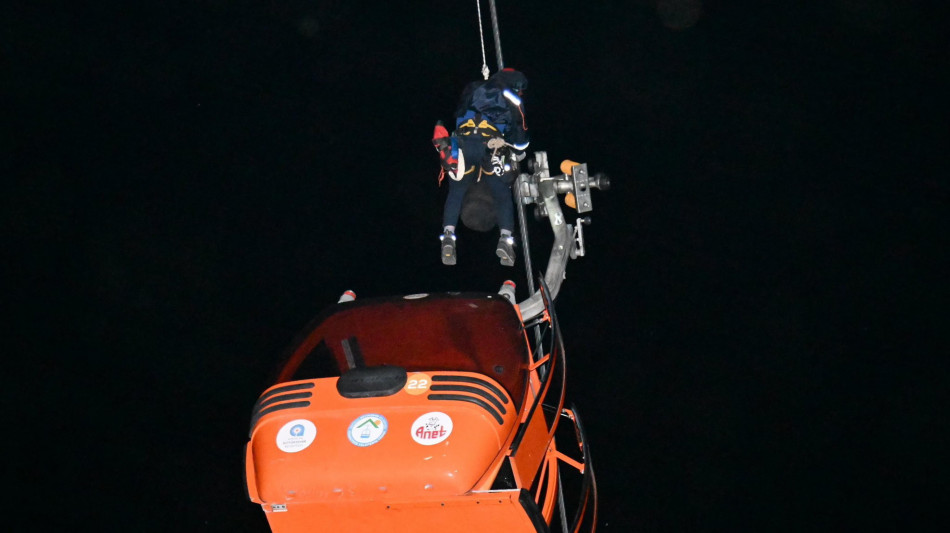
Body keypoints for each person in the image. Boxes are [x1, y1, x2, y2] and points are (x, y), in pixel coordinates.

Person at [432, 68, 530, 267]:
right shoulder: (514, 98)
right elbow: (519, 136)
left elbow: (459, 111)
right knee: (501, 192)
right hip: (490, 145)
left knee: (457, 191)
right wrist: (519, 149)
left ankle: (449, 235)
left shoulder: (475, 88)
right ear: (517, 86)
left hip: (464, 142)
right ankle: (505, 239)